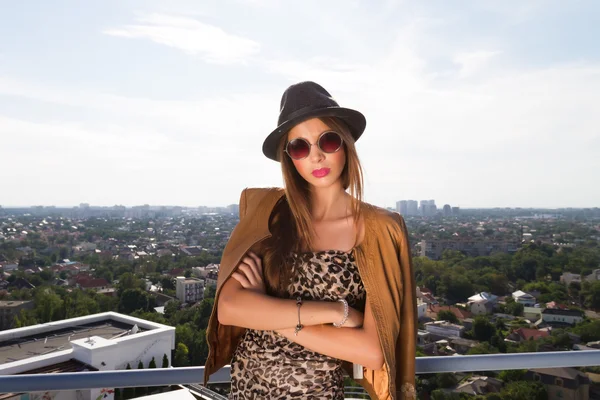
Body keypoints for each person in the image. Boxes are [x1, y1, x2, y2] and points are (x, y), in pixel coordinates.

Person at [204, 81, 417, 399]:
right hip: (248, 389)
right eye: (300, 147)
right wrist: (335, 313)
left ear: (345, 143)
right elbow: (231, 309)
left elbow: (372, 350)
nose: (316, 157)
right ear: (290, 158)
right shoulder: (268, 214)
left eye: (327, 141)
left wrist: (267, 314)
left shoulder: (379, 229)